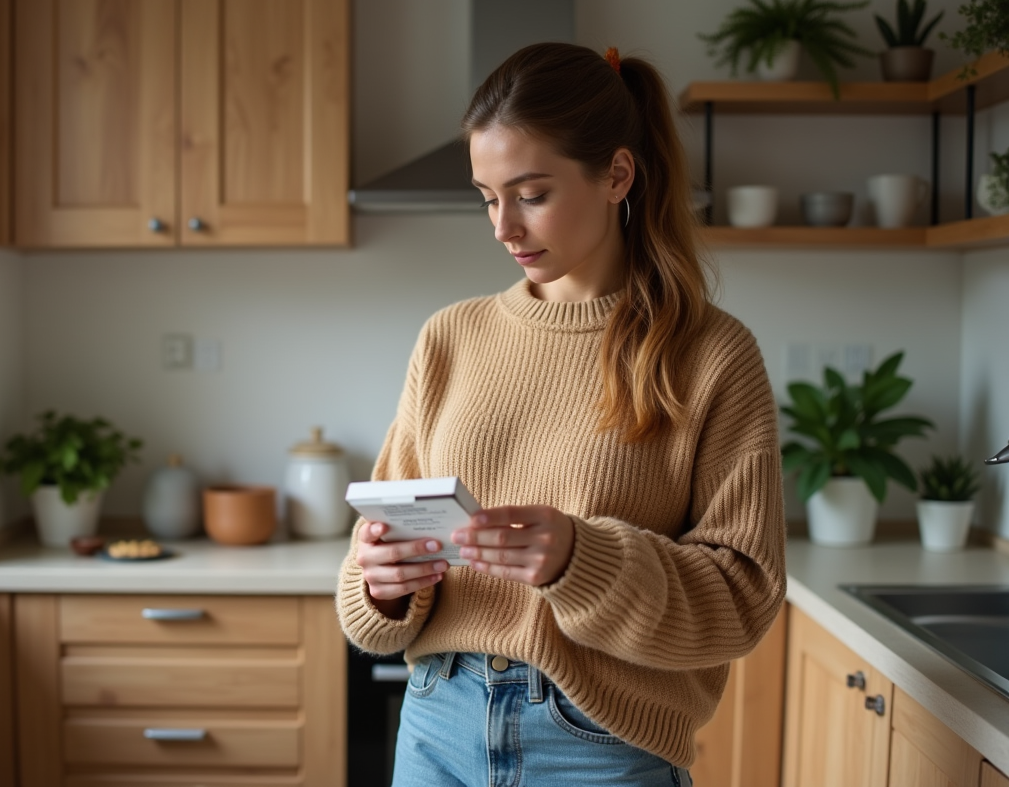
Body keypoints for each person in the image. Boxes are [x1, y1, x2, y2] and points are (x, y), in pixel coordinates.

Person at [336, 42, 786, 787]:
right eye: (487, 196)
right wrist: (380, 580)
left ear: (616, 174)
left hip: (600, 743)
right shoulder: (450, 338)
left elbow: (744, 598)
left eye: (532, 193)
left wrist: (584, 560)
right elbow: (377, 557)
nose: (503, 227)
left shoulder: (711, 354)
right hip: (435, 723)